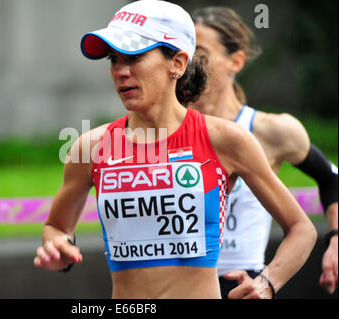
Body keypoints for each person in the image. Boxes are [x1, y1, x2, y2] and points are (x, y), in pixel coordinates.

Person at [33, 0, 316, 299]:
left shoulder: (225, 140)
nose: (120, 71)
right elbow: (56, 226)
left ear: (178, 63)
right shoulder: (92, 147)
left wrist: (268, 282)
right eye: (113, 59)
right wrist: (58, 245)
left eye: (134, 56)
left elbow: (302, 229)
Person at [191, 6, 338, 298]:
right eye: (183, 53)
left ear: (236, 61)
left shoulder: (271, 131)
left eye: (202, 53)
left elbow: (331, 177)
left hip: (242, 284)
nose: (190, 63)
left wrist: (335, 239)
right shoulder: (169, 132)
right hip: (181, 286)